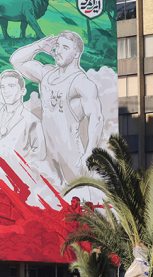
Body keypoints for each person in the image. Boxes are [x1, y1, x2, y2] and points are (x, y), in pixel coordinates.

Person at [9, 30, 104, 183]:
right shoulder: (46, 73)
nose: (58, 51)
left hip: (70, 153)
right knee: (49, 200)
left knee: (78, 198)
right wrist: (38, 46)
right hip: (46, 152)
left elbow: (96, 118)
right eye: (57, 46)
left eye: (65, 48)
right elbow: (16, 61)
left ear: (76, 54)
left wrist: (89, 153)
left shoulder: (82, 83)